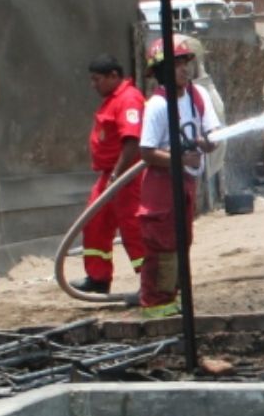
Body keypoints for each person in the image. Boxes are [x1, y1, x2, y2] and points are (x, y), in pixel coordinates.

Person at [135, 36, 222, 319]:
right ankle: (157, 305)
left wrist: (208, 142)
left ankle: (174, 295)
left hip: (186, 181)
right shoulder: (157, 106)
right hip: (161, 184)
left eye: (185, 63)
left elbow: (211, 133)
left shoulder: (198, 96)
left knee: (182, 240)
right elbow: (147, 152)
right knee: (162, 241)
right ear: (161, 71)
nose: (184, 70)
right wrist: (180, 158)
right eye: (176, 65)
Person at [79, 55, 146, 294]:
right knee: (95, 221)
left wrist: (117, 175)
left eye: (97, 79)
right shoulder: (112, 100)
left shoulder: (128, 100)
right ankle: (98, 278)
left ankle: (151, 282)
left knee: (133, 227)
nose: (93, 84)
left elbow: (133, 142)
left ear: (113, 76)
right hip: (111, 174)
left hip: (128, 175)